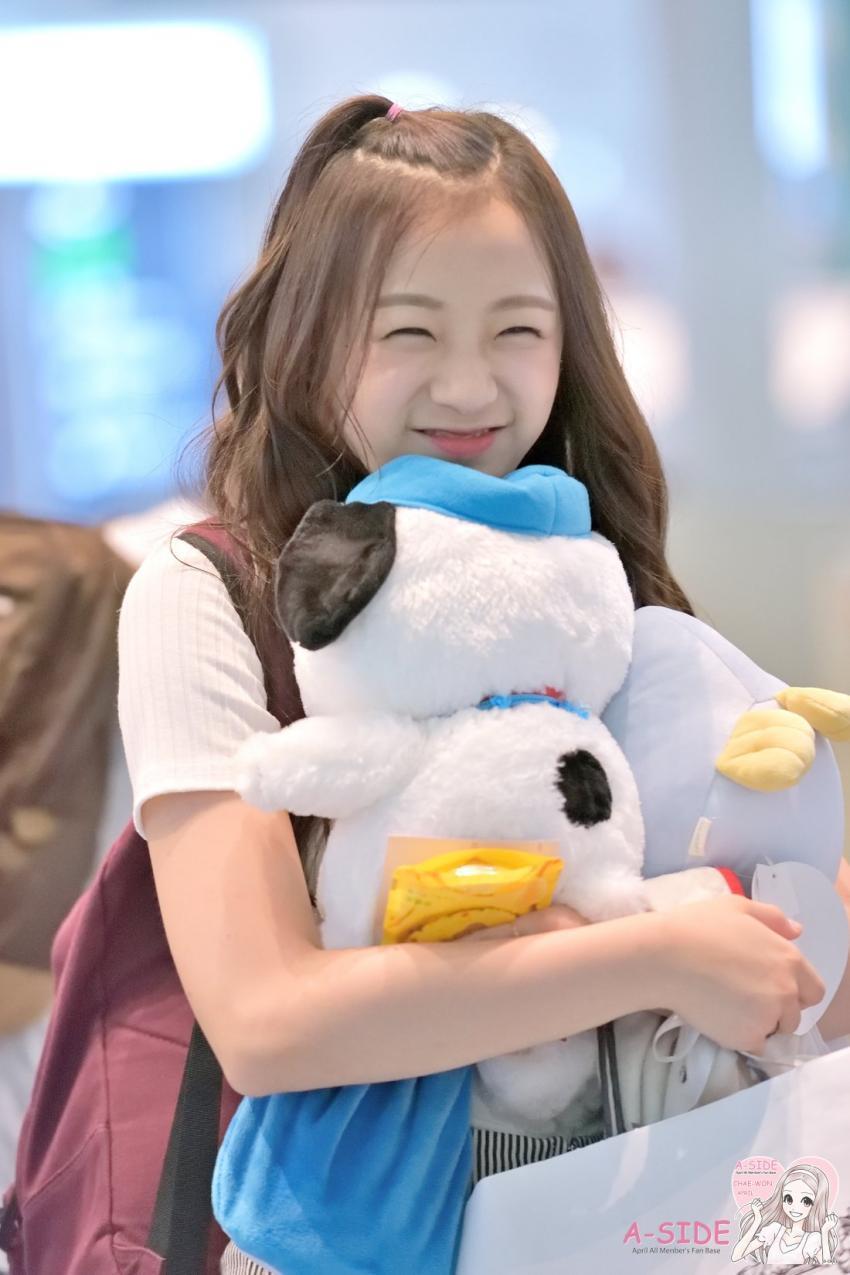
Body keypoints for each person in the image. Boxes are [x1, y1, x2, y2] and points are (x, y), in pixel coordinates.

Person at [115, 95, 836, 1274]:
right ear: (307, 334)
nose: (468, 386)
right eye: (408, 332)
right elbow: (267, 1022)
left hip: (642, 1219)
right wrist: (654, 954)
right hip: (359, 1237)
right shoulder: (210, 595)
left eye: (517, 331)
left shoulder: (590, 576)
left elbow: (786, 946)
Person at [731, 1164, 838, 1265]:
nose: (795, 1208)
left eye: (806, 1201)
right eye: (788, 1199)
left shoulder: (812, 1239)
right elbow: (736, 1256)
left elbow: (828, 1269)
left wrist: (825, 1232)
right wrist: (757, 1220)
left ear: (815, 1204)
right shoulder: (774, 1230)